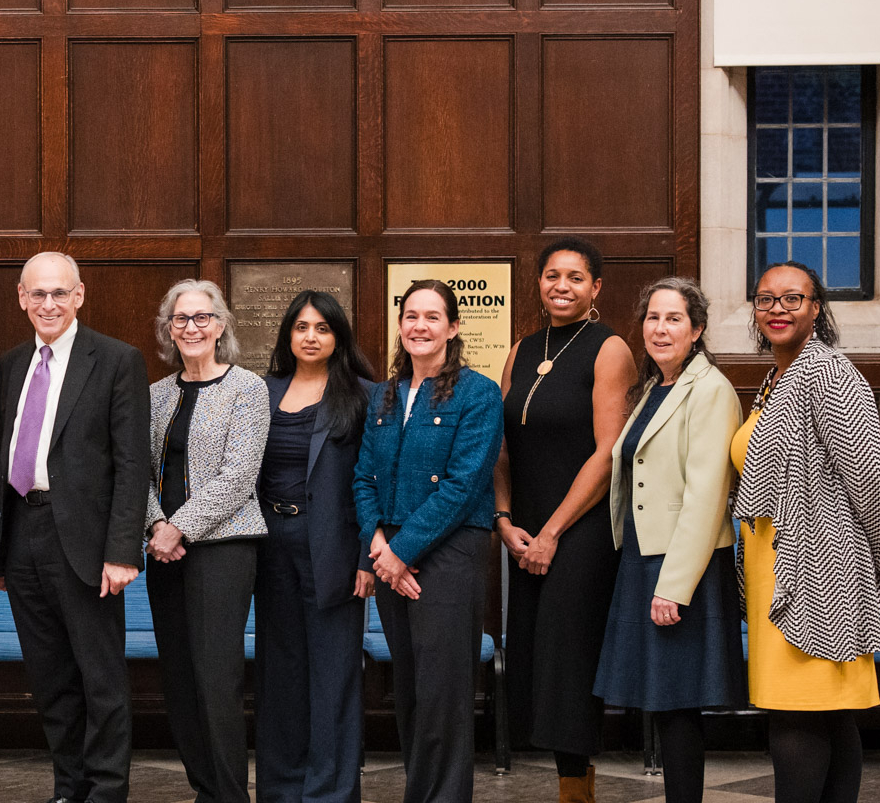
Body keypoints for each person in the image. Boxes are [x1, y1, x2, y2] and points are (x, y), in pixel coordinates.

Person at [733, 261, 880, 803]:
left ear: (816, 308)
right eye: (765, 300)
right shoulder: (778, 377)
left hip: (818, 570)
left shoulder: (828, 372)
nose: (777, 309)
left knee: (796, 716)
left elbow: (868, 473)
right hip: (777, 569)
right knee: (828, 716)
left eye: (792, 298)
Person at [0, 251, 150, 803]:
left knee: (100, 680)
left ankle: (105, 791)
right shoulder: (11, 364)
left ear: (79, 295)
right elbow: (8, 457)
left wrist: (123, 550)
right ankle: (68, 788)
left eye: (59, 293)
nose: (48, 303)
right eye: (38, 294)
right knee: (51, 678)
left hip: (85, 542)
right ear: (22, 298)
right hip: (24, 535)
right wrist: (2, 553)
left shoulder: (117, 359)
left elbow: (132, 464)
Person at [590, 277, 746, 803]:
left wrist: (673, 586)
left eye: (674, 318)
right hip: (642, 559)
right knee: (661, 701)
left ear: (697, 329)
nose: (660, 328)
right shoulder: (655, 387)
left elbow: (706, 498)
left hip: (681, 568)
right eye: (653, 317)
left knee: (678, 705)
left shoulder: (711, 390)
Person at [492, 237, 633, 802]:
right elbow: (500, 445)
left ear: (595, 288)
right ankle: (570, 782)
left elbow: (608, 452)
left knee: (568, 659)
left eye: (576, 277)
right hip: (523, 530)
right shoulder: (521, 348)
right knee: (536, 659)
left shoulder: (610, 348)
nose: (561, 286)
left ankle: (577, 792)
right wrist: (504, 519)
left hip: (582, 530)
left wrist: (552, 532)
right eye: (552, 276)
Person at [353, 279, 503, 803]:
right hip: (389, 551)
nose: (420, 325)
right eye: (411, 316)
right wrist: (376, 542)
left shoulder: (479, 393)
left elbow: (464, 487)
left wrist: (400, 552)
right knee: (412, 692)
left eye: (432, 317)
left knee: (443, 694)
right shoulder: (385, 394)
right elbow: (364, 474)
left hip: (451, 551)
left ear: (453, 327)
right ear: (400, 326)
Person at [142, 279, 269, 803]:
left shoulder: (247, 388)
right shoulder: (155, 395)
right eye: (180, 319)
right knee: (179, 676)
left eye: (201, 318)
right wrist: (154, 527)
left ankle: (229, 795)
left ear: (221, 326)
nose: (190, 327)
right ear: (168, 330)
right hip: (163, 552)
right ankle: (203, 789)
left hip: (224, 549)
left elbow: (238, 474)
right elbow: (139, 474)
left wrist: (180, 527)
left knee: (217, 679)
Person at [254, 291, 376, 803]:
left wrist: (369, 556)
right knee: (279, 673)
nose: (310, 336)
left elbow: (375, 481)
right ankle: (281, 789)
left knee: (334, 675)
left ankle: (330, 791)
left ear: (338, 337)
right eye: (301, 327)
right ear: (287, 335)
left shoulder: (366, 394)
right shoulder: (259, 391)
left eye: (322, 328)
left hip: (334, 549)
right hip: (268, 547)